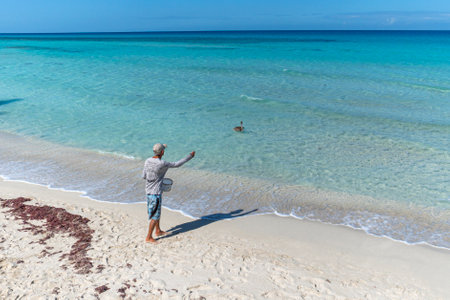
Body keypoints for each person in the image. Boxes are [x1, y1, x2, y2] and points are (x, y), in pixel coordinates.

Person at [142, 143, 195, 243]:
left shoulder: (147, 161)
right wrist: (190, 156)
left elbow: (144, 176)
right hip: (155, 193)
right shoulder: (162, 163)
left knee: (157, 212)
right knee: (154, 216)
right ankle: (149, 237)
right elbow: (177, 164)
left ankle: (158, 230)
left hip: (148, 191)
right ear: (162, 152)